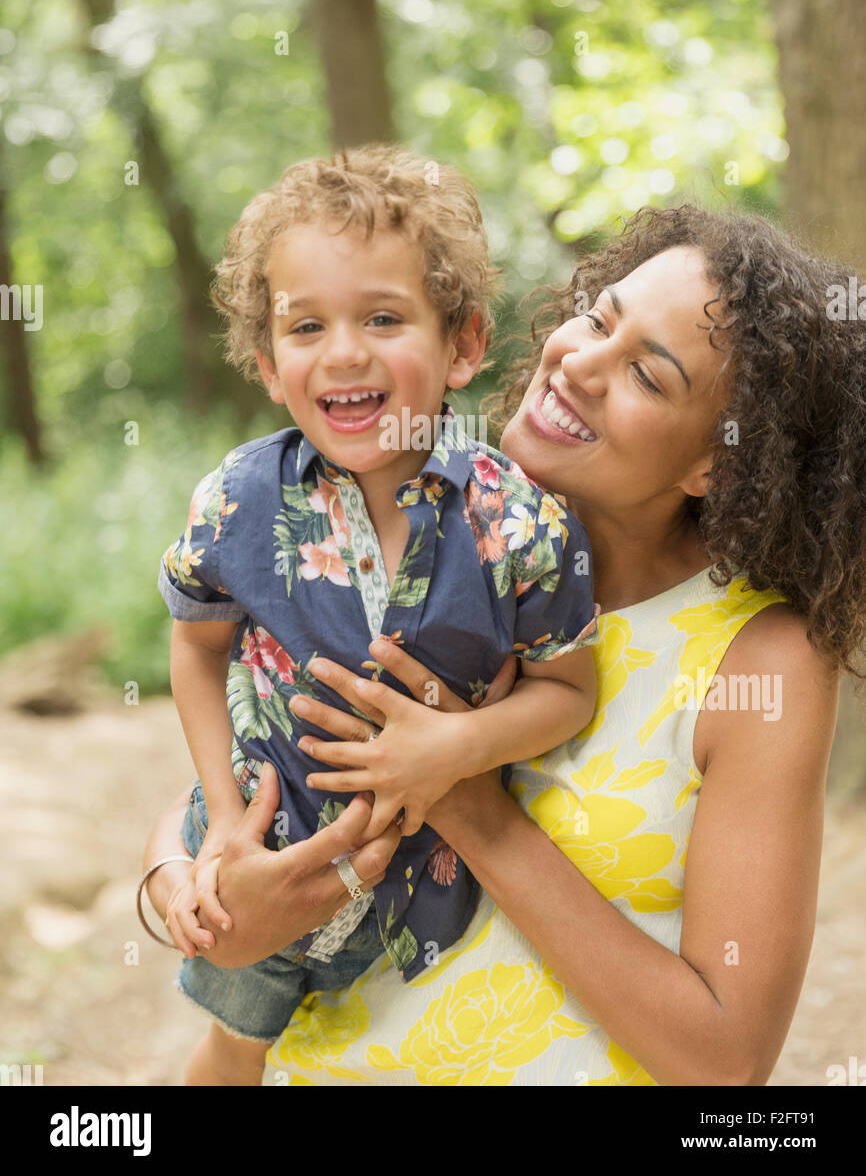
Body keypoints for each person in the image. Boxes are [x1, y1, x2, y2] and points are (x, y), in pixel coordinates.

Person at [144, 202, 866, 1086]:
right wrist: (184, 893)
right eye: (599, 317)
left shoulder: (760, 659)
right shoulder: (426, 510)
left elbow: (724, 1059)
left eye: (647, 374)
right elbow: (257, 780)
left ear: (716, 461)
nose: (582, 363)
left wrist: (469, 800)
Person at [155, 144, 599, 1085]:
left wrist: (457, 747)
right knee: (232, 1053)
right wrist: (226, 821)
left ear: (465, 345)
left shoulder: (518, 521)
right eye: (306, 325)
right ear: (269, 364)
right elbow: (195, 650)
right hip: (253, 861)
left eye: (384, 317)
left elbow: (567, 687)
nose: (345, 350)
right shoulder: (239, 498)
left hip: (421, 899)